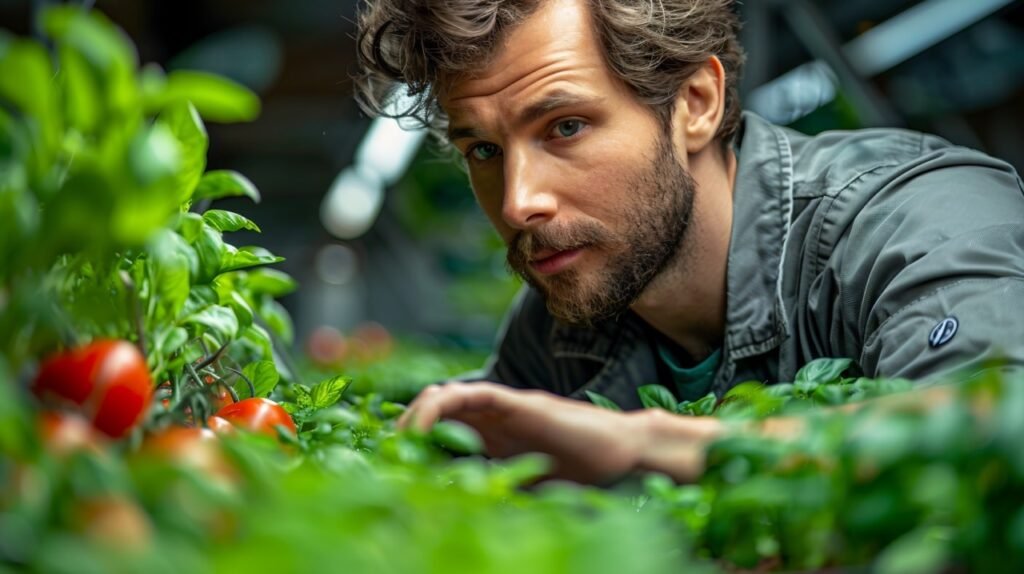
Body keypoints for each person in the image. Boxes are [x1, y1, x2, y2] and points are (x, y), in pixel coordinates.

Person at [353, 0, 1024, 483]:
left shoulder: (915, 220)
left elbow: (996, 428)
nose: (519, 201)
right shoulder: (558, 329)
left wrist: (646, 444)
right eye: (484, 149)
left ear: (696, 102)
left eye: (565, 127)